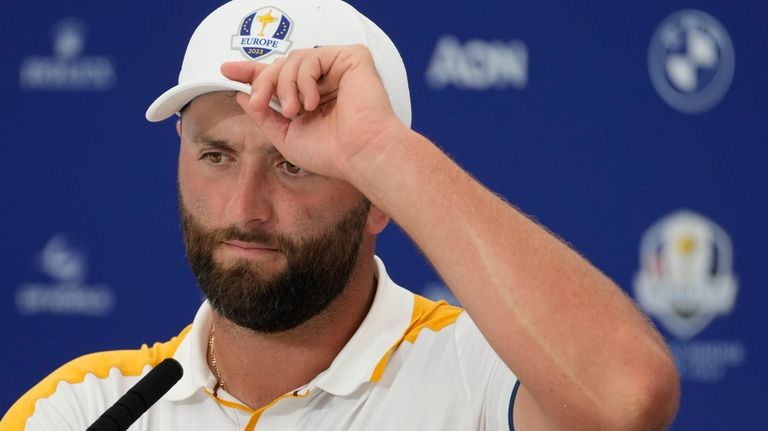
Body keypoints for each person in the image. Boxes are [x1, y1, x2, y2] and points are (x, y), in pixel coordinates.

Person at [1, 0, 680, 430]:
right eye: (215, 156)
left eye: (294, 164)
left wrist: (379, 148)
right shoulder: (87, 407)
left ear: (377, 192)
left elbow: (627, 398)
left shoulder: (477, 372)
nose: (244, 208)